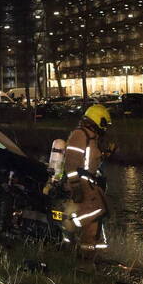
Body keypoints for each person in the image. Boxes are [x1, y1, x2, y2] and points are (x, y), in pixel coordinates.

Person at [62, 104, 112, 254]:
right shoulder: (80, 135)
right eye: (104, 124)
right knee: (97, 209)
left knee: (96, 218)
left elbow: (91, 161)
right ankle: (70, 225)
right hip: (80, 182)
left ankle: (87, 254)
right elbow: (71, 162)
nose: (105, 128)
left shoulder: (92, 137)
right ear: (98, 120)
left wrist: (106, 154)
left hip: (89, 182)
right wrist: (76, 186)